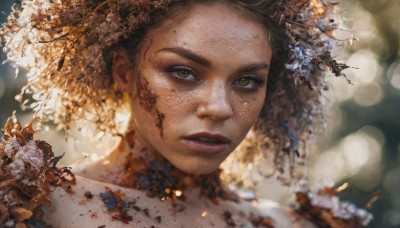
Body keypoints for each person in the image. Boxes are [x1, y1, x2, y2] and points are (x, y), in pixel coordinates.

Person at [0, 0, 370, 227]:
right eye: (183, 72)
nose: (218, 108)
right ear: (124, 71)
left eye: (247, 81)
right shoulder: (37, 208)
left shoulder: (290, 225)